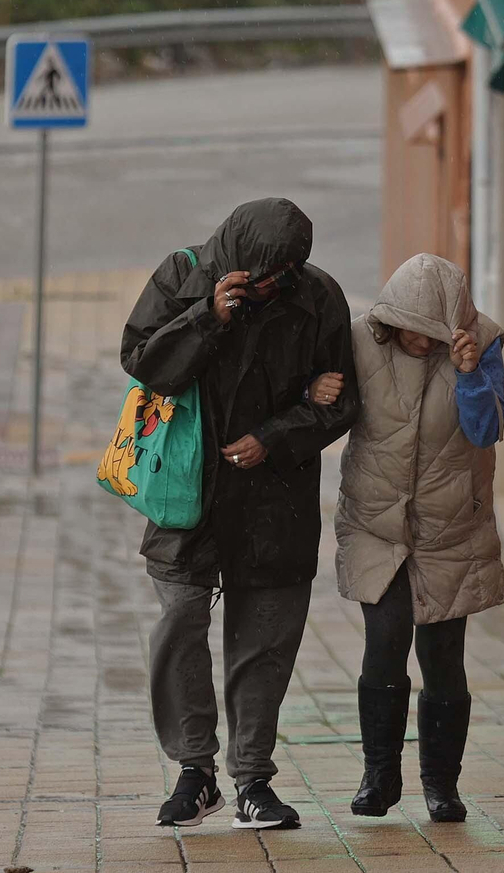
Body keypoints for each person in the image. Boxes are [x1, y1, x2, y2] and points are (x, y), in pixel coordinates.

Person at [121, 198, 359, 831]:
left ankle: (253, 779)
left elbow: (342, 401)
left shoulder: (318, 298)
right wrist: (208, 316)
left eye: (284, 276)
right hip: (187, 492)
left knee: (265, 639)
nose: (273, 287)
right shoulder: (181, 276)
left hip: (274, 499)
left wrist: (273, 437)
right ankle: (194, 773)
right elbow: (143, 364)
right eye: (263, 277)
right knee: (179, 621)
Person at [318, 252, 504, 823]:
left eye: (434, 333)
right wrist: (314, 393)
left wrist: (470, 376)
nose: (423, 342)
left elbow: (487, 429)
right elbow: (329, 414)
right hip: (377, 523)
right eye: (411, 330)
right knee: (385, 641)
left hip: (452, 527)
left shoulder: (483, 341)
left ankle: (441, 787)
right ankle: (379, 777)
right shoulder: (359, 339)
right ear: (390, 319)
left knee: (443, 655)